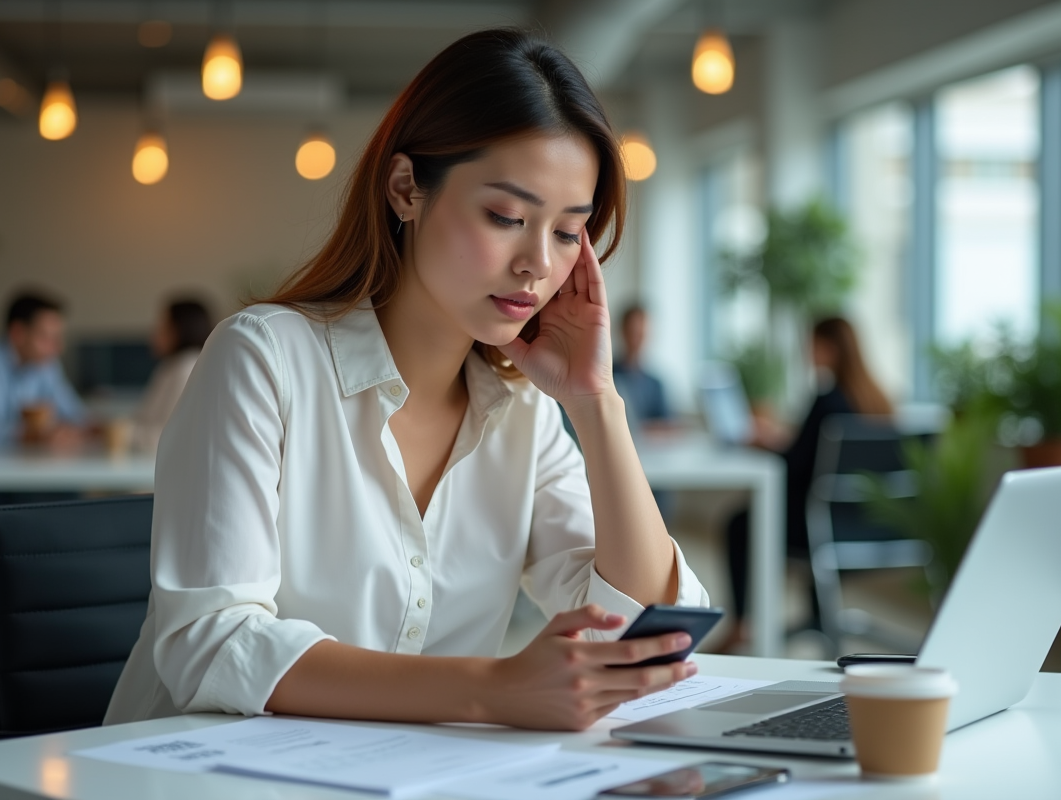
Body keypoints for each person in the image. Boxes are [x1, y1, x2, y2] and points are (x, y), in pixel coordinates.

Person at [105, 28, 709, 731]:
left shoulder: (523, 411)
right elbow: (211, 643)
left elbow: (641, 639)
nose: (537, 265)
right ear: (405, 190)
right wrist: (492, 689)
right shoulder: (263, 361)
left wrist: (597, 404)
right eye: (506, 216)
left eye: (568, 232)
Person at [721, 316, 891, 652]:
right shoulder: (878, 402)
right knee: (812, 504)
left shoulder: (827, 400)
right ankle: (817, 616)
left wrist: (767, 442)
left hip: (820, 528)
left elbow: (795, 465)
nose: (806, 351)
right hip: (867, 526)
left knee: (740, 524)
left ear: (828, 348)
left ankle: (742, 623)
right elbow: (820, 457)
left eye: (811, 343)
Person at [0, 291, 87, 448]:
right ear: (18, 333)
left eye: (58, 337)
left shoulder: (46, 365)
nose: (58, 348)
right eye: (47, 338)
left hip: (19, 465)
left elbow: (76, 415)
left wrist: (86, 429)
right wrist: (40, 436)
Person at [131, 298, 215, 455]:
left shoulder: (186, 368)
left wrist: (118, 433)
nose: (155, 333)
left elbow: (165, 436)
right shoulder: (173, 366)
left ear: (181, 330)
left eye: (163, 326)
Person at [612, 305, 672, 430]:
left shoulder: (655, 384)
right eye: (632, 332)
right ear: (622, 331)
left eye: (641, 334)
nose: (636, 340)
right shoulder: (607, 378)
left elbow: (665, 424)